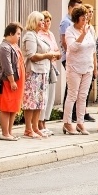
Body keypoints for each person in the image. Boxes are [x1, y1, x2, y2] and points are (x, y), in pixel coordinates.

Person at [21, 11, 58, 139]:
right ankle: (28, 128)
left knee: (40, 101)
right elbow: (32, 56)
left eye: (44, 20)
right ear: (34, 21)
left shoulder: (39, 35)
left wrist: (51, 54)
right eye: (41, 20)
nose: (43, 22)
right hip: (33, 72)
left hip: (43, 71)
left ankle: (35, 127)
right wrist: (48, 55)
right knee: (31, 100)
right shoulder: (30, 36)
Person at [63, 5, 96, 135]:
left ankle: (80, 123)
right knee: (72, 95)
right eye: (83, 19)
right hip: (74, 67)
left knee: (83, 96)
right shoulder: (70, 31)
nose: (85, 21)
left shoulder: (90, 30)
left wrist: (95, 66)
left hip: (87, 66)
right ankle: (67, 122)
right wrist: (83, 34)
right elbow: (73, 47)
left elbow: (93, 48)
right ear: (76, 19)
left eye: (86, 18)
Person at [0, 22, 24, 143]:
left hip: (17, 81)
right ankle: (5, 133)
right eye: (17, 34)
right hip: (9, 81)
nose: (19, 36)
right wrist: (12, 81)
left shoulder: (14, 46)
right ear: (10, 33)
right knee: (6, 107)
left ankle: (10, 132)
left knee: (14, 107)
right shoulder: (4, 47)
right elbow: (7, 66)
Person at [39, 11, 61, 136]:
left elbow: (57, 51)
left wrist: (55, 55)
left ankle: (45, 121)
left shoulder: (51, 34)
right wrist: (52, 54)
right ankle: (39, 122)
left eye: (48, 21)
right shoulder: (39, 35)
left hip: (53, 66)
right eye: (44, 21)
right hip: (44, 67)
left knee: (50, 96)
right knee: (44, 95)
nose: (46, 24)